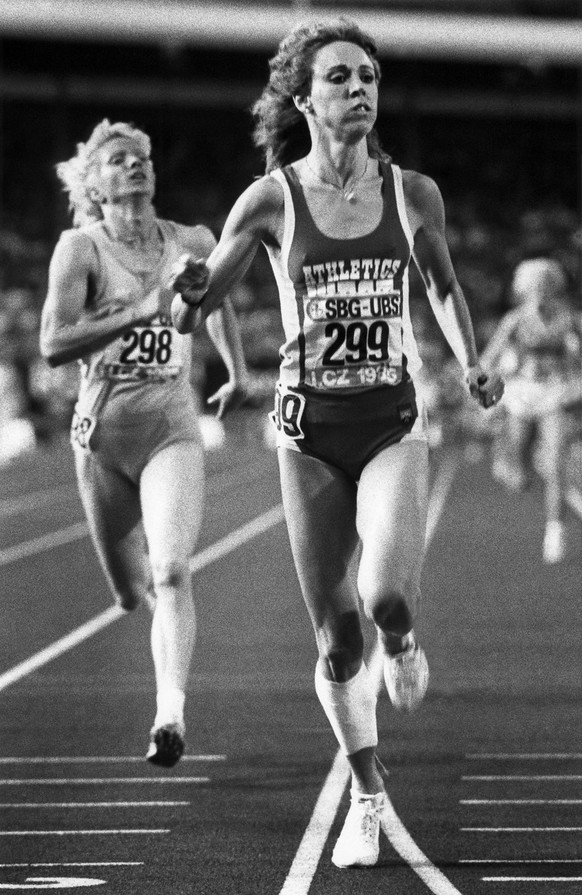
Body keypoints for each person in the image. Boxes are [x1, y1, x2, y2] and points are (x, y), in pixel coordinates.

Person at [170, 19, 504, 868]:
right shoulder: (271, 199)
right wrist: (187, 295)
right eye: (342, 77)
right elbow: (200, 306)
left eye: (370, 77)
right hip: (307, 431)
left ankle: (403, 640)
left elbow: (441, 282)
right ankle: (367, 794)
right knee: (332, 640)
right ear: (304, 97)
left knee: (386, 595)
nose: (361, 89)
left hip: (391, 416)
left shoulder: (411, 192)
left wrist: (470, 363)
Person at [39, 119, 248, 767]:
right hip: (101, 437)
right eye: (119, 160)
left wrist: (236, 368)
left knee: (173, 567)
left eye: (142, 158)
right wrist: (140, 310)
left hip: (170, 425)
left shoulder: (191, 240)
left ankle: (170, 712)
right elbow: (53, 344)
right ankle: (150, 611)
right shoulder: (80, 248)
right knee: (131, 591)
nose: (134, 166)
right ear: (94, 183)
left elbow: (220, 301)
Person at [482, 257, 581, 564]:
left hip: (555, 394)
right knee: (519, 477)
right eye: (534, 286)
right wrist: (490, 386)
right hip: (522, 395)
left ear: (555, 288)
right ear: (523, 290)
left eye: (546, 286)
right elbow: (488, 359)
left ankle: (555, 529)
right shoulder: (514, 321)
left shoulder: (570, 320)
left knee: (556, 460)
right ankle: (510, 461)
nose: (540, 291)